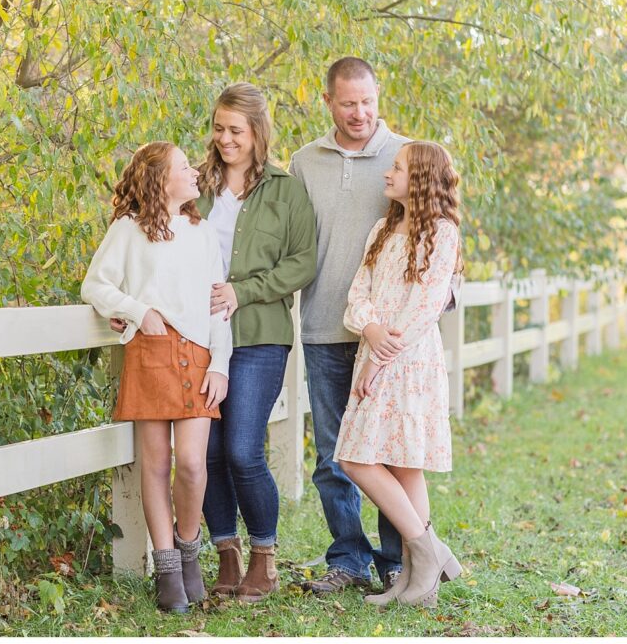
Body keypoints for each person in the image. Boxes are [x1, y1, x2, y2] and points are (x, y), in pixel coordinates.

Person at [80, 142, 232, 614]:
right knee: (155, 465)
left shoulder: (202, 232)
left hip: (198, 355)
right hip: (149, 351)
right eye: (185, 166)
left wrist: (222, 364)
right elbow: (95, 284)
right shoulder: (128, 230)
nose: (194, 171)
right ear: (161, 179)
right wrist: (136, 309)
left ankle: (189, 554)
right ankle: (167, 573)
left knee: (190, 462)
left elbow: (217, 308)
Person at [289, 57, 410, 594]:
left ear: (378, 96)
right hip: (321, 327)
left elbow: (436, 235)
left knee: (385, 452)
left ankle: (397, 562)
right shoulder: (304, 162)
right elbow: (294, 246)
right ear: (328, 102)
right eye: (347, 103)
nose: (359, 113)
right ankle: (349, 560)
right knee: (333, 454)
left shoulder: (405, 156)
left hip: (383, 338)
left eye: (367, 101)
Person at [195, 82, 318, 602]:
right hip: (199, 337)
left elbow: (302, 262)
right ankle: (227, 555)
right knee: (210, 451)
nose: (226, 139)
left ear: (258, 132)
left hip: (260, 338)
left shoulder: (286, 191)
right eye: (220, 129)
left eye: (236, 131)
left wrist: (243, 291)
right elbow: (159, 238)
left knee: (244, 448)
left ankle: (264, 557)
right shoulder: (196, 184)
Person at [337, 141, 465, 608]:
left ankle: (421, 565)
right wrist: (369, 328)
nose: (387, 174)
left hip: (408, 361)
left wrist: (380, 353)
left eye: (397, 168)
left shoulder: (442, 232)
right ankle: (424, 567)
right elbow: (358, 294)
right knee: (375, 458)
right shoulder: (381, 231)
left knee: (369, 459)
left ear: (422, 179)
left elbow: (426, 305)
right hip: (376, 351)